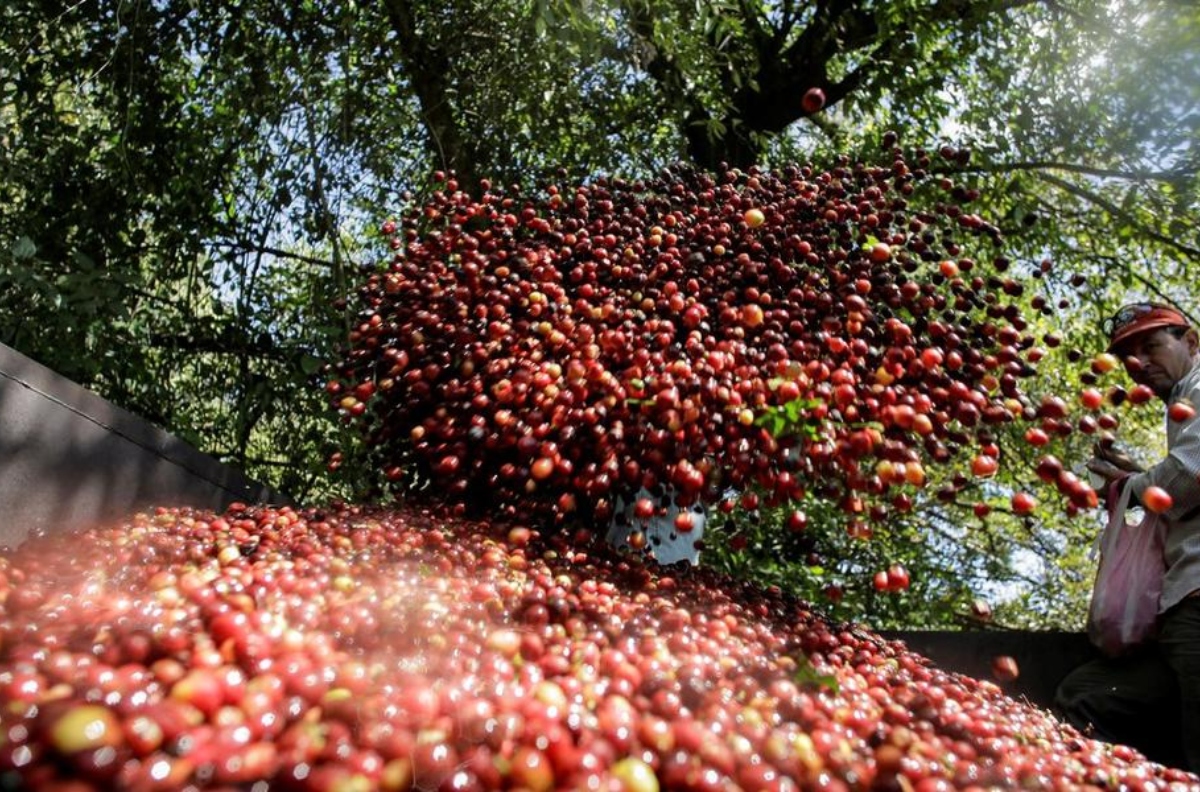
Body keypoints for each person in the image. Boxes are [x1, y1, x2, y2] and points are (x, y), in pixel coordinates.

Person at [1055, 301, 1200, 771]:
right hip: (1180, 612)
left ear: (1191, 342)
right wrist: (1137, 478)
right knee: (1086, 695)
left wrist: (1124, 489)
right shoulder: (1183, 406)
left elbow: (1182, 485)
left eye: (1152, 346)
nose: (1140, 363)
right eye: (1129, 357)